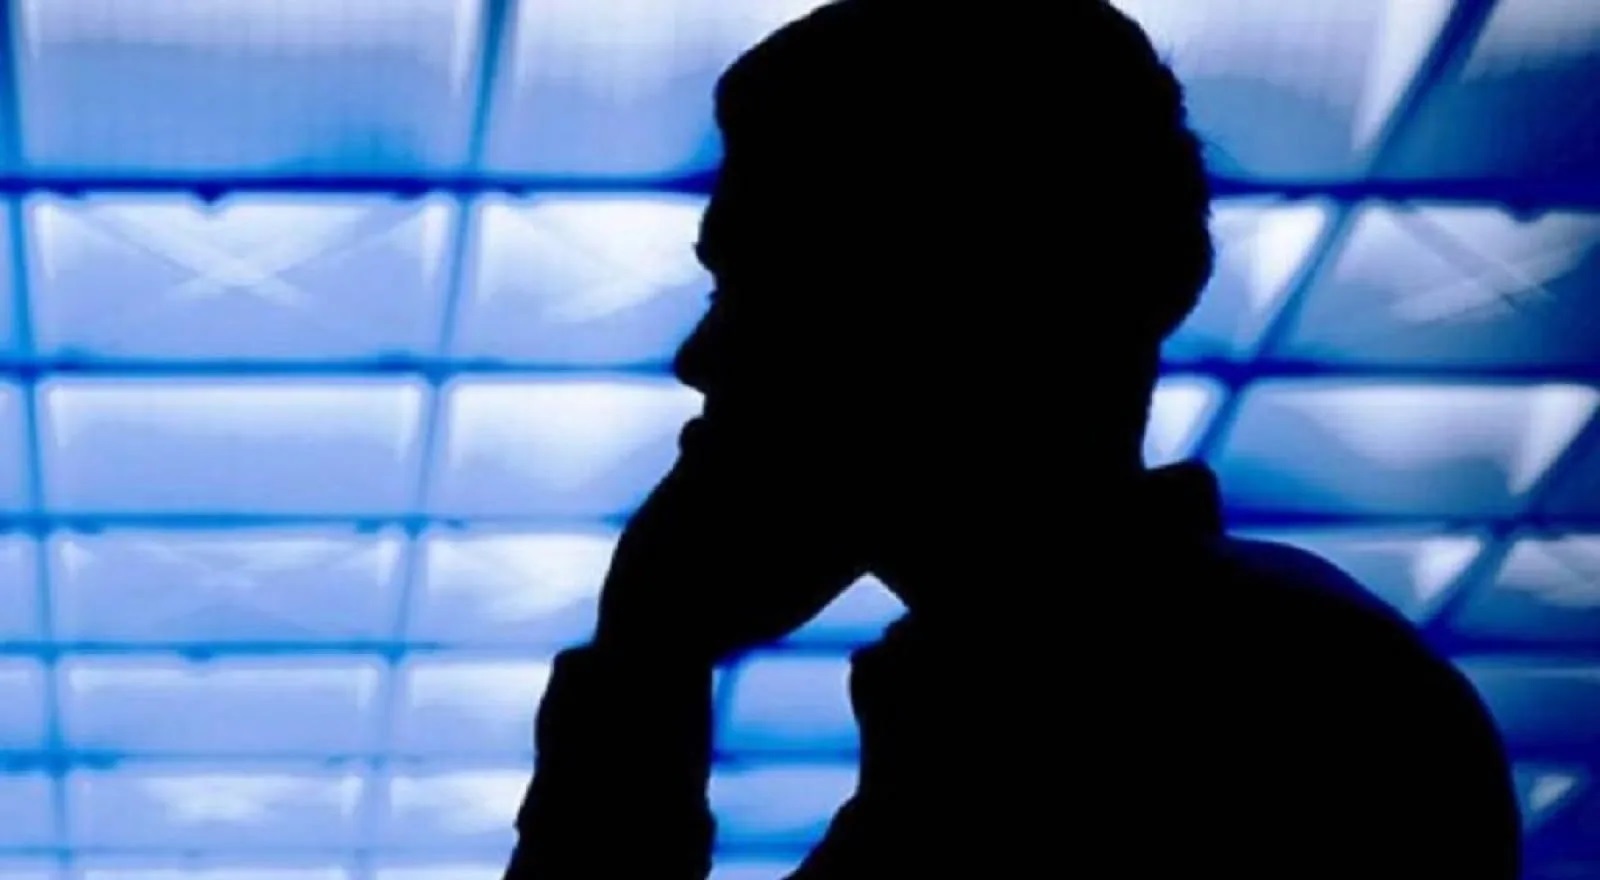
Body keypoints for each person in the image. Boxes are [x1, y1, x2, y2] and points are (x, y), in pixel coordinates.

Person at [500, 1, 1524, 876]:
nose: (701, 359)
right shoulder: (1240, 680)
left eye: (761, 287)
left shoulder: (1222, 708)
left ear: (962, 310)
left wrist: (643, 668)